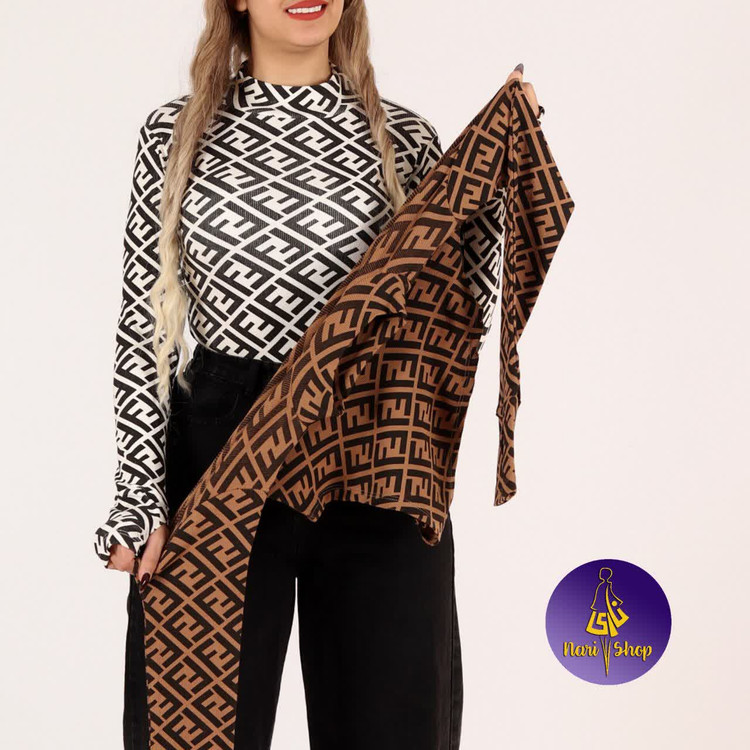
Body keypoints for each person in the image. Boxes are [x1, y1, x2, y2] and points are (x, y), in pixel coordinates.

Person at [93, 1, 541, 747]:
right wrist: (139, 492)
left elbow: (452, 303)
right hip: (225, 446)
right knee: (190, 730)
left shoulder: (405, 138)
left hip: (377, 441)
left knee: (396, 725)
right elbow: (145, 326)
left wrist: (497, 165)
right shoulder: (176, 133)